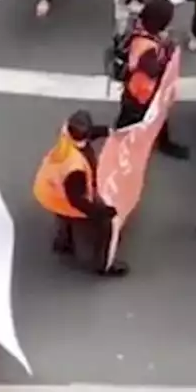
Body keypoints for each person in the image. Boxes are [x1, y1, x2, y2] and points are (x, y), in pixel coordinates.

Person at [33, 110, 129, 276]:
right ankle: (102, 264)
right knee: (104, 224)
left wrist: (107, 131)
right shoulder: (76, 168)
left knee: (64, 216)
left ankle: (63, 243)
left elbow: (87, 133)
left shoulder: (66, 137)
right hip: (66, 197)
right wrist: (101, 212)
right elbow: (77, 202)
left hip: (50, 190)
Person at [115, 0, 189, 159]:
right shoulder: (147, 46)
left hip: (142, 91)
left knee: (158, 118)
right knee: (130, 120)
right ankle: (120, 143)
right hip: (140, 94)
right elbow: (152, 70)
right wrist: (168, 53)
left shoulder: (140, 29)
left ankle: (162, 142)